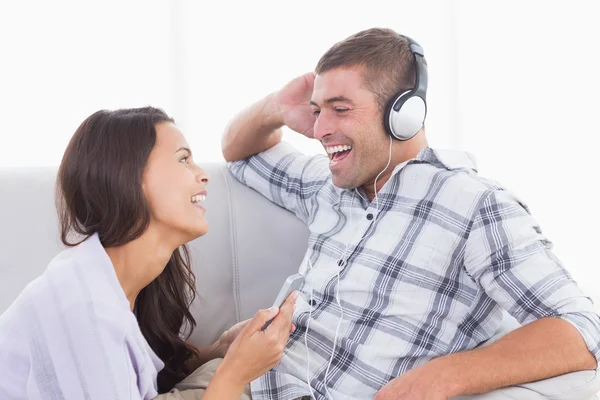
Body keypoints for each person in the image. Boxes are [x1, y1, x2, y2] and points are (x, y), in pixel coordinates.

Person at [221, 28, 600, 399]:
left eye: (340, 109)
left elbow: (583, 330)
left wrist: (448, 375)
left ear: (403, 114)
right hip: (240, 384)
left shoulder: (473, 204)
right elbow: (238, 153)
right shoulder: (327, 184)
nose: (319, 129)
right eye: (317, 111)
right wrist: (277, 107)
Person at [0, 107, 297, 400]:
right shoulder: (83, 310)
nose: (203, 175)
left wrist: (217, 351)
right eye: (183, 159)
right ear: (130, 177)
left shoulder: (112, 286)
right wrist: (237, 371)